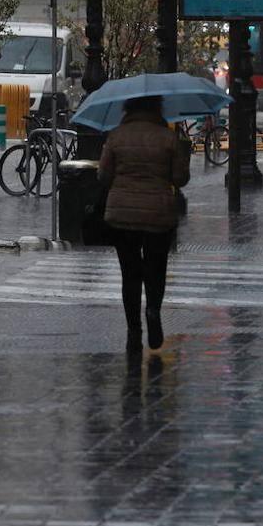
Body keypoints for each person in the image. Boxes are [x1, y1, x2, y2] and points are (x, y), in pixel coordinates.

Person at [99, 96, 190, 353]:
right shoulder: (167, 138)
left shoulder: (116, 136)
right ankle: (153, 311)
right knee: (156, 268)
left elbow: (103, 176)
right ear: (157, 107)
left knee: (130, 274)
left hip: (122, 213)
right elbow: (180, 179)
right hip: (158, 213)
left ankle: (133, 331)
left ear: (127, 107)